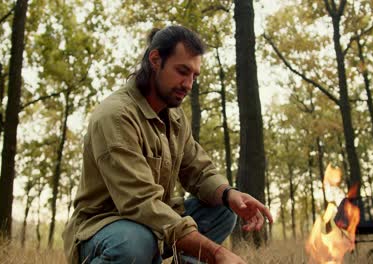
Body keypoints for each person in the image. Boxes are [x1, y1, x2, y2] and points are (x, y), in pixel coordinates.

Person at [62, 25, 273, 264]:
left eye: (194, 75)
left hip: (154, 224)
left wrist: (229, 194)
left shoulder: (175, 116)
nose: (188, 84)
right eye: (182, 71)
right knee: (135, 243)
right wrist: (216, 253)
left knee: (223, 210)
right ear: (155, 60)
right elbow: (140, 203)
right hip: (105, 228)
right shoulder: (116, 116)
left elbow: (199, 171)